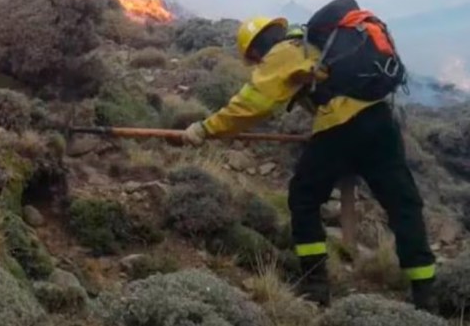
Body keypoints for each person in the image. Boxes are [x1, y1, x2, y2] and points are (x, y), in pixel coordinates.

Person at [182, 16, 436, 312]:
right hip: (381, 121)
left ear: (256, 49)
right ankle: (425, 294)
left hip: (339, 126)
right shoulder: (313, 44)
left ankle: (315, 285)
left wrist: (206, 128)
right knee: (403, 204)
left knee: (303, 198)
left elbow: (253, 103)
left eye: (254, 57)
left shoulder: (284, 52)